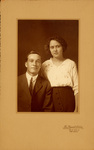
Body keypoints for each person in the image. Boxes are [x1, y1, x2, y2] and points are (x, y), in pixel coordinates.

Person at [41, 36, 78, 112]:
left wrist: (77, 108)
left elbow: (77, 88)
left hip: (69, 101)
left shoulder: (70, 64)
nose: (55, 50)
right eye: (52, 47)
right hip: (50, 102)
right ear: (49, 49)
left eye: (58, 46)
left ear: (63, 47)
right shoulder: (45, 65)